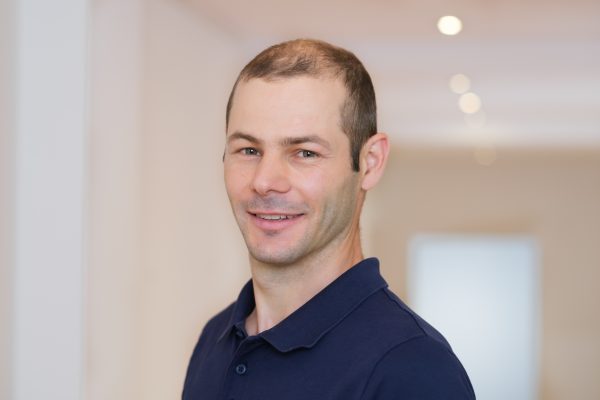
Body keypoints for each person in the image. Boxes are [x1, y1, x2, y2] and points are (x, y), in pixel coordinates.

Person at [182, 38, 475, 399]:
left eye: (305, 152)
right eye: (249, 150)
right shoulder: (214, 340)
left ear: (369, 163)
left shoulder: (412, 368)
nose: (264, 181)